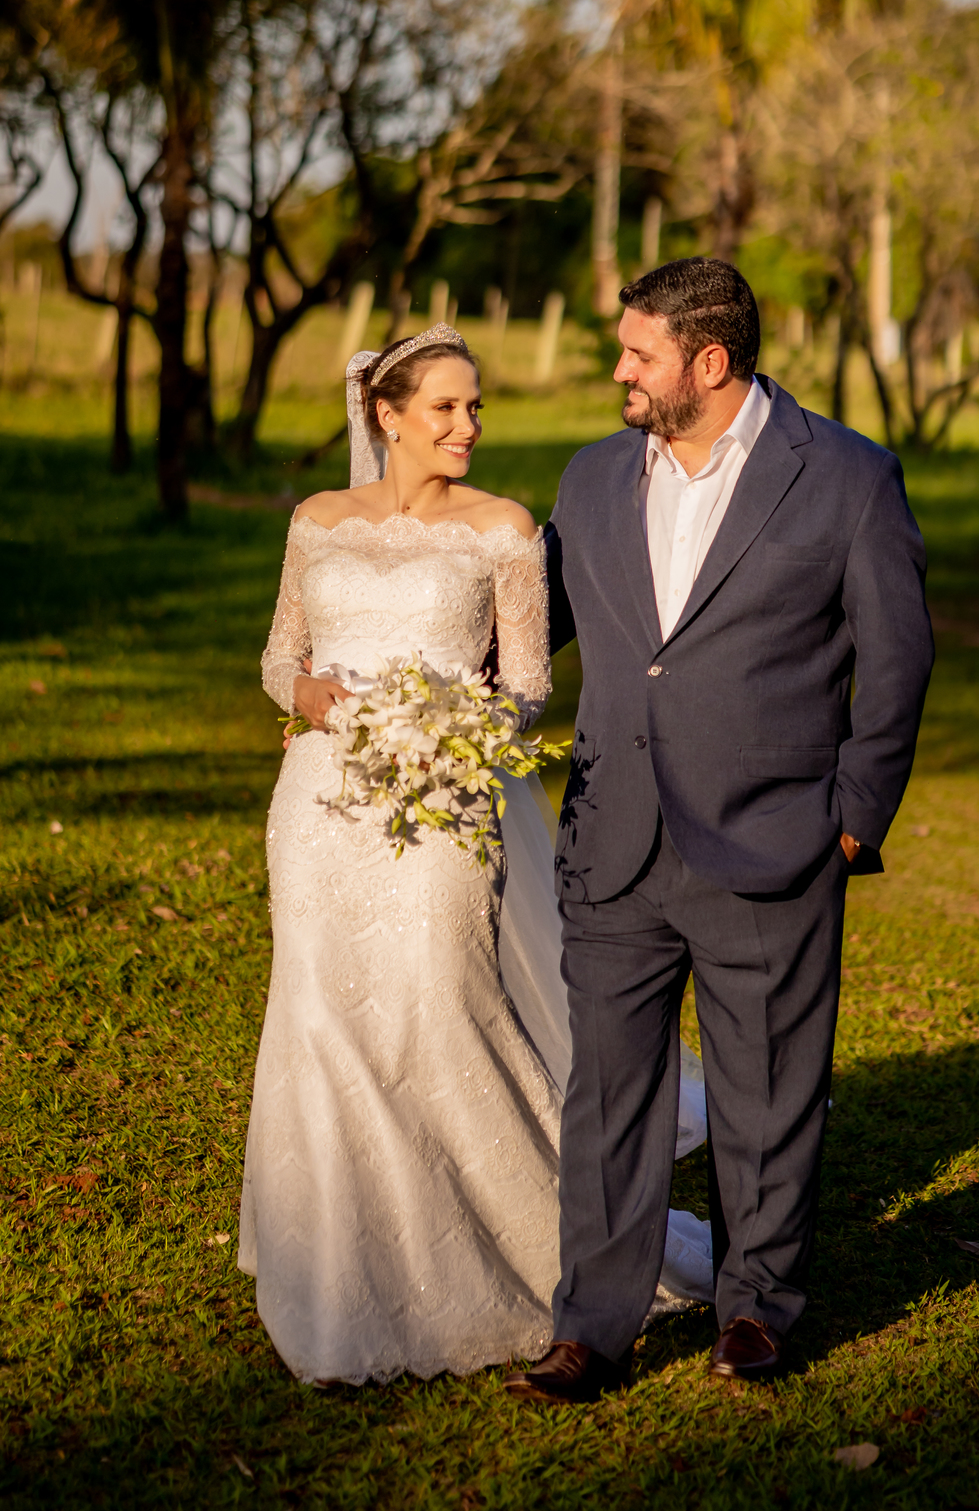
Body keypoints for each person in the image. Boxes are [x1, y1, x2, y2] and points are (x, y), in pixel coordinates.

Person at [239, 323, 710, 1385]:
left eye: (476, 406)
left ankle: (529, 1249)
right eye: (446, 407)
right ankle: (335, 1259)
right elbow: (278, 658)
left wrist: (448, 729)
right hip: (320, 807)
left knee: (439, 1001)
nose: (469, 427)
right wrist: (307, 695)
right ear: (387, 415)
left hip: (447, 801)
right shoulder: (317, 521)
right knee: (319, 1012)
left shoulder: (503, 529)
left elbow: (529, 685)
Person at [504, 259, 934, 1405]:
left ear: (708, 361)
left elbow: (897, 659)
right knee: (608, 1099)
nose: (618, 369)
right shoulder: (593, 475)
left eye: (638, 353)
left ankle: (756, 1308)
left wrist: (854, 821)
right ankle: (592, 1329)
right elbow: (531, 631)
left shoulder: (846, 475)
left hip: (777, 840)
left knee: (768, 1092)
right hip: (614, 840)